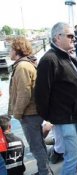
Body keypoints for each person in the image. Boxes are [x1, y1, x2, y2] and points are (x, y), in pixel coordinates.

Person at [35, 22, 77, 174]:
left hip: (75, 114)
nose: (74, 39)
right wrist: (48, 118)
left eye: (74, 36)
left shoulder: (67, 56)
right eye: (70, 36)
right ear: (58, 37)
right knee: (73, 156)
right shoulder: (49, 60)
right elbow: (41, 94)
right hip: (64, 117)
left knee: (73, 154)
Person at [8, 36, 52, 175]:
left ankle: (43, 172)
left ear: (17, 50)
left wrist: (17, 114)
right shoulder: (27, 64)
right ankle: (44, 170)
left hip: (29, 114)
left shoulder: (22, 67)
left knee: (35, 146)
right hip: (33, 112)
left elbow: (24, 93)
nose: (9, 52)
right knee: (39, 144)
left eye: (10, 49)